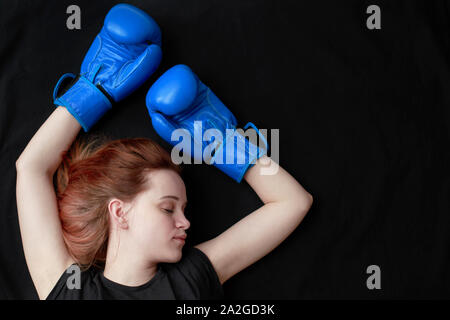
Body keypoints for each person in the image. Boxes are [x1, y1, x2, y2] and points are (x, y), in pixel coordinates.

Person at [15, 3, 313, 300]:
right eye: (168, 208)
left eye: (179, 209)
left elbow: (294, 202)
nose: (185, 223)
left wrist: (221, 143)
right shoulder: (71, 290)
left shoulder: (189, 279)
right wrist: (96, 90)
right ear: (119, 212)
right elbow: (31, 168)